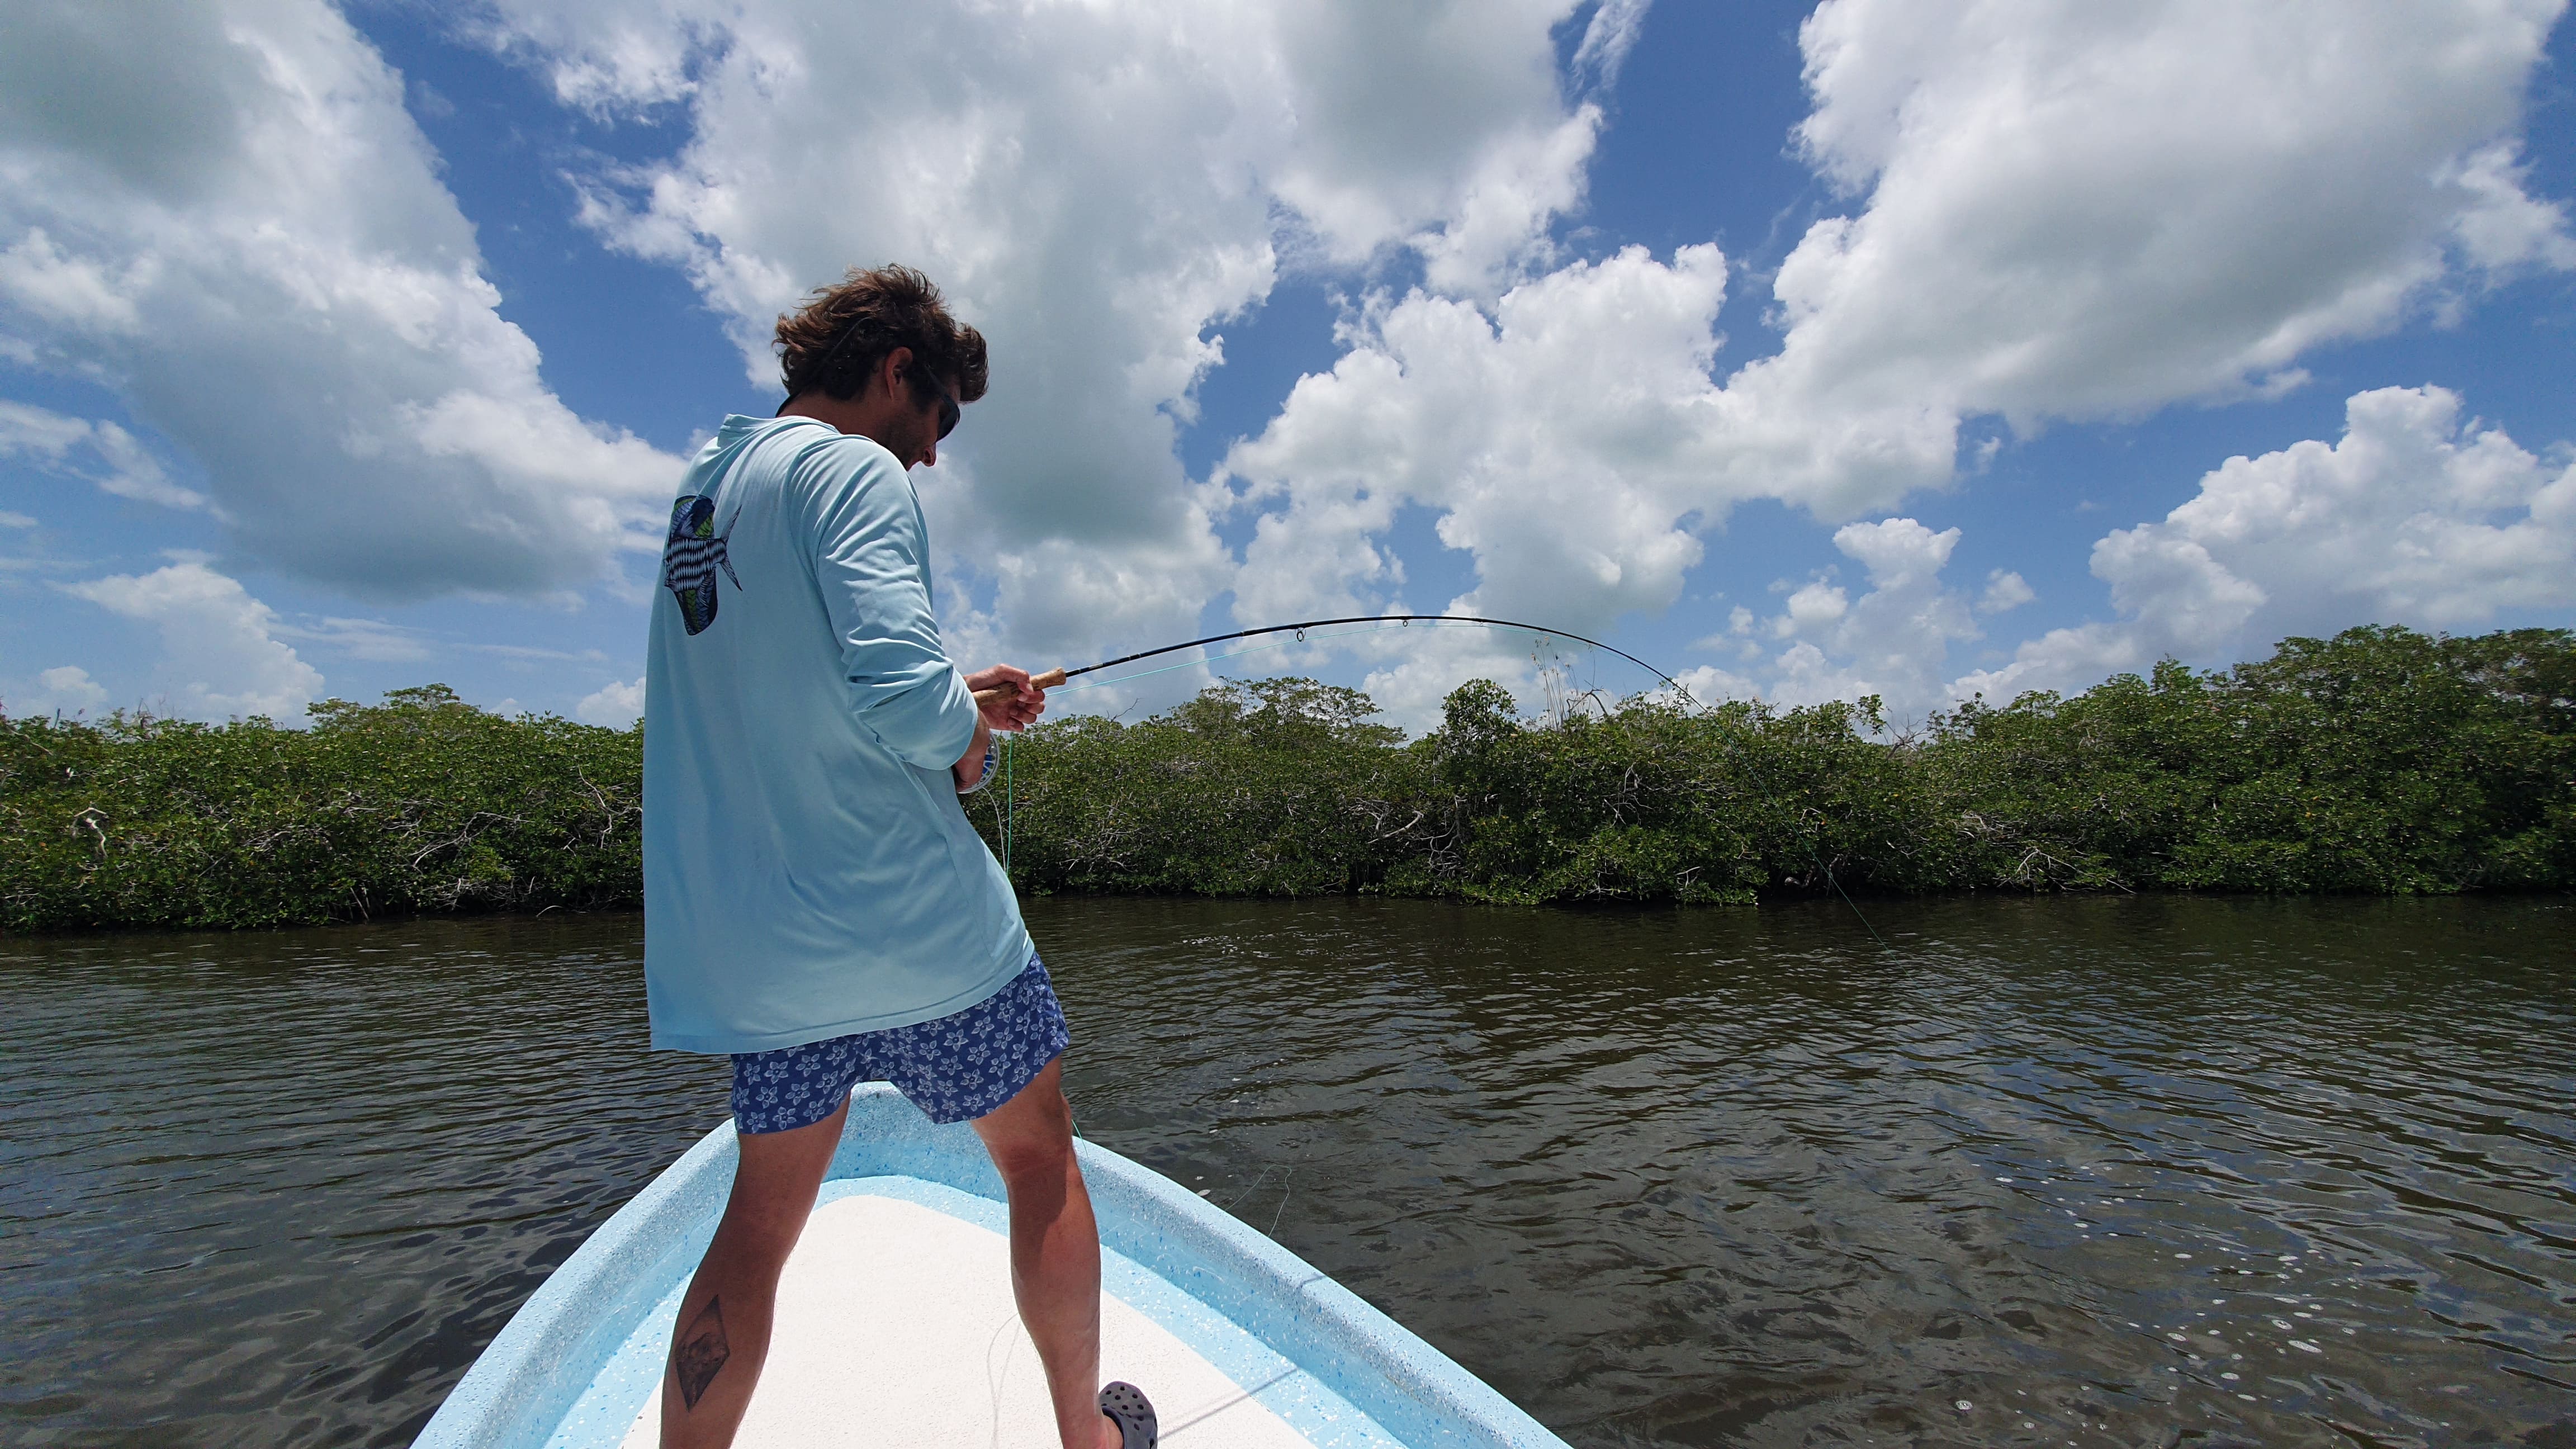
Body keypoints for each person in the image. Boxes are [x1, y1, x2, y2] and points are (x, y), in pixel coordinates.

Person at [641, 264, 1155, 1449]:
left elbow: (809, 686)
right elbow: (907, 708)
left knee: (758, 1225)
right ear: (894, 371)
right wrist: (966, 732)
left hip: (768, 959)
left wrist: (956, 692)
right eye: (938, 420)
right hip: (920, 935)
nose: (929, 454)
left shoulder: (706, 495)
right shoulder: (853, 468)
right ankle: (1089, 1440)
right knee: (1039, 1161)